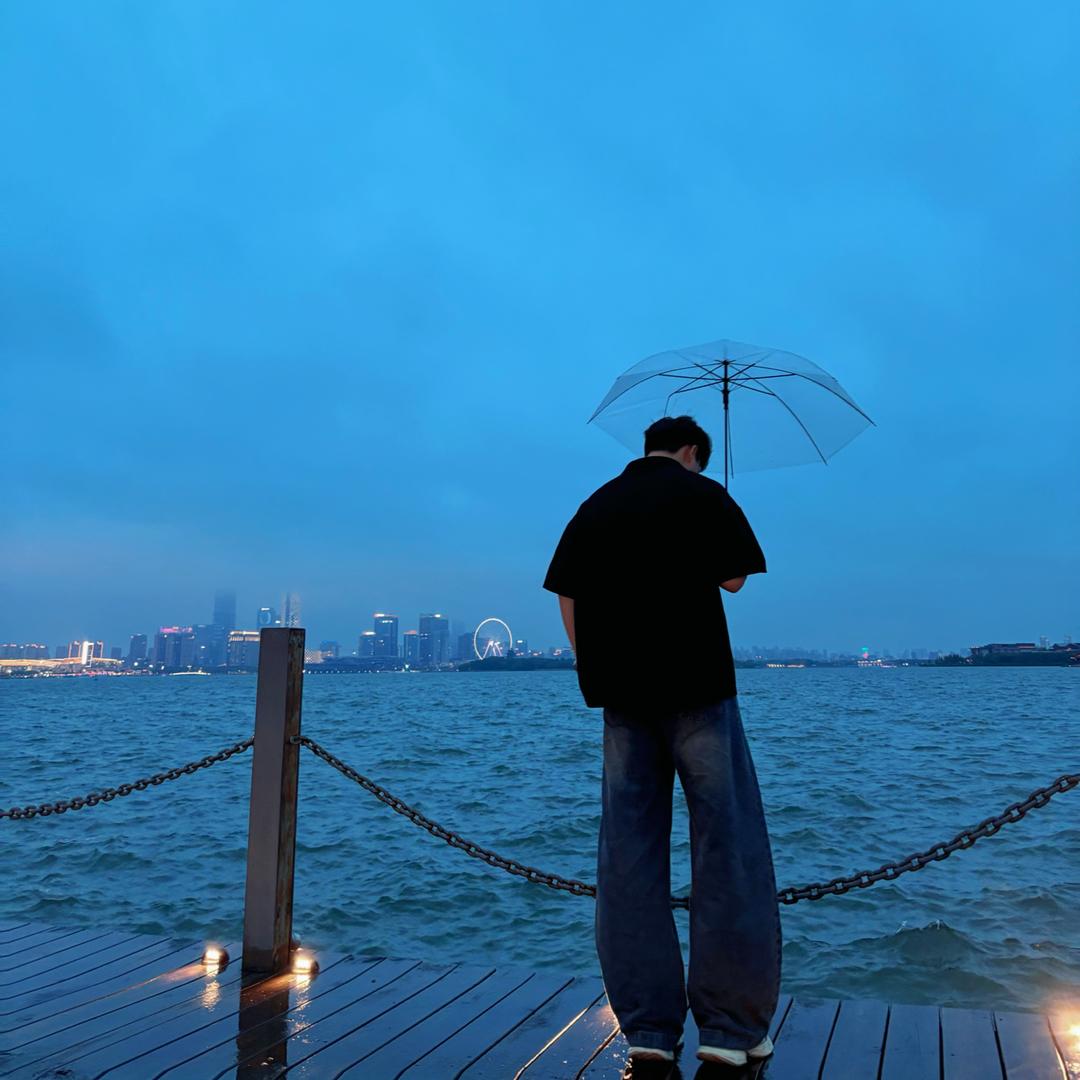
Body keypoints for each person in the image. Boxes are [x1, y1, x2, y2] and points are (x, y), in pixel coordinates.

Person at [542, 414, 781, 1071]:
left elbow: (567, 590)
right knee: (726, 848)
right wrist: (712, 508)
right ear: (691, 453)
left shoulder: (597, 504)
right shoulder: (703, 494)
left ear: (646, 447)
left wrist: (590, 659)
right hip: (698, 688)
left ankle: (648, 1028)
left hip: (622, 696)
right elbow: (732, 578)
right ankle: (731, 1031)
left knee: (629, 857)